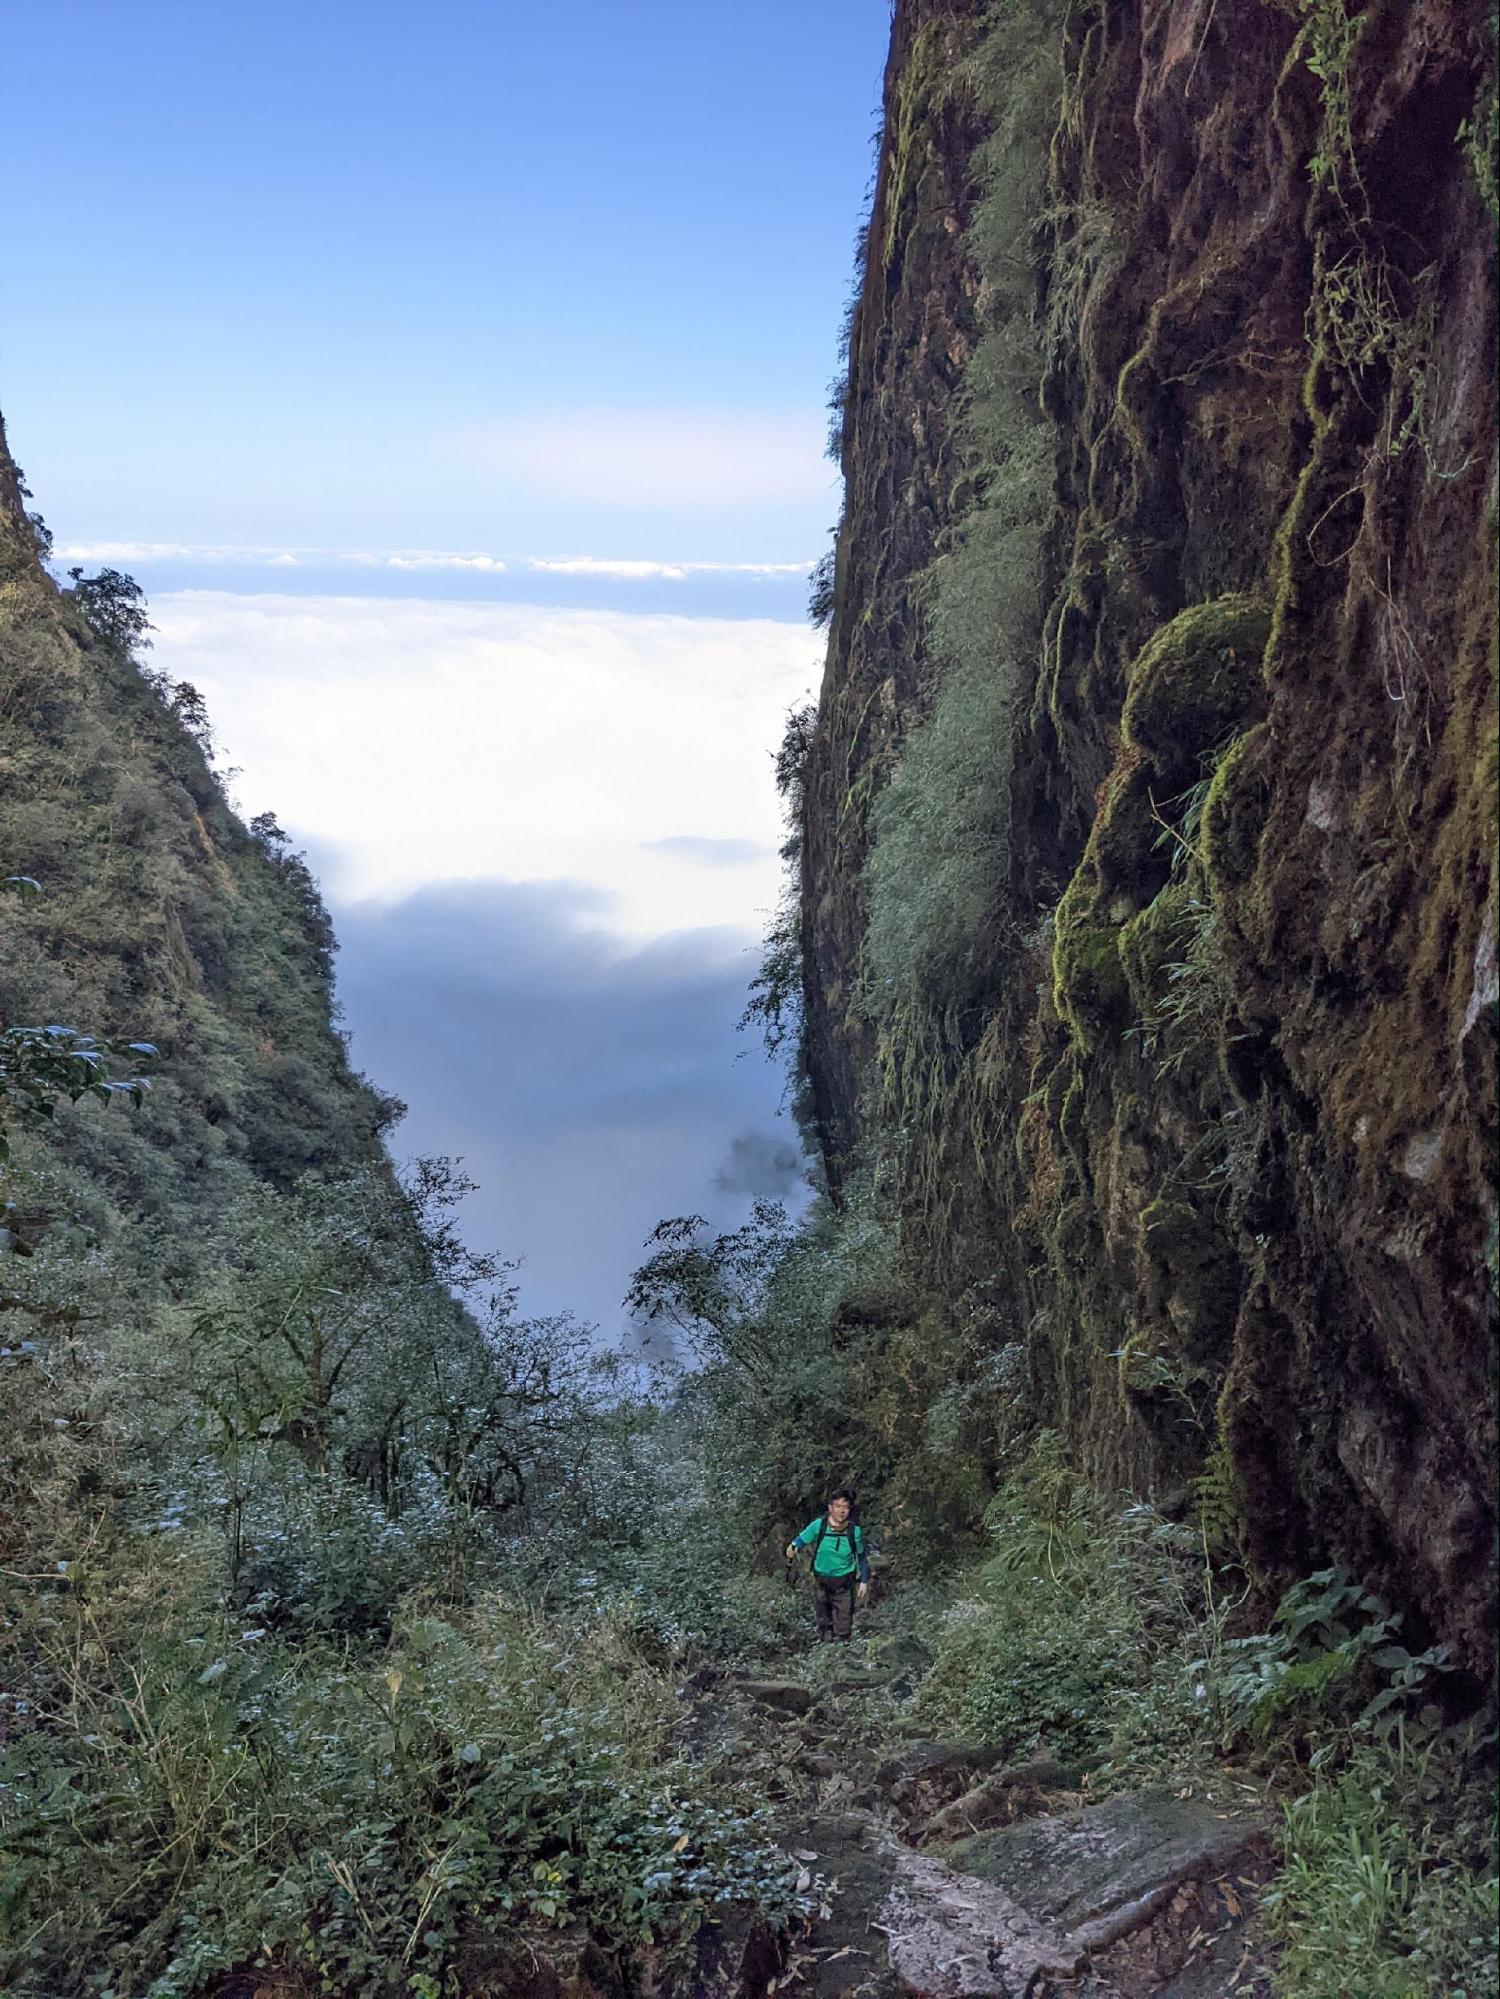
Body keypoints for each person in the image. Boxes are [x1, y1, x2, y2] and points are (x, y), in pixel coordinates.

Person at [785, 1488, 870, 1643]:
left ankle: (842, 1653)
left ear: (849, 1510)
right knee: (823, 1621)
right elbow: (801, 1540)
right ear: (830, 1508)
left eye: (845, 1507)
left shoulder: (854, 1532)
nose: (841, 1511)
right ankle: (825, 1646)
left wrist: (864, 1581)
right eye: (837, 1506)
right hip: (821, 1581)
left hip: (844, 1583)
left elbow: (862, 1557)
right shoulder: (819, 1526)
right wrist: (793, 1546)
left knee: (844, 1626)